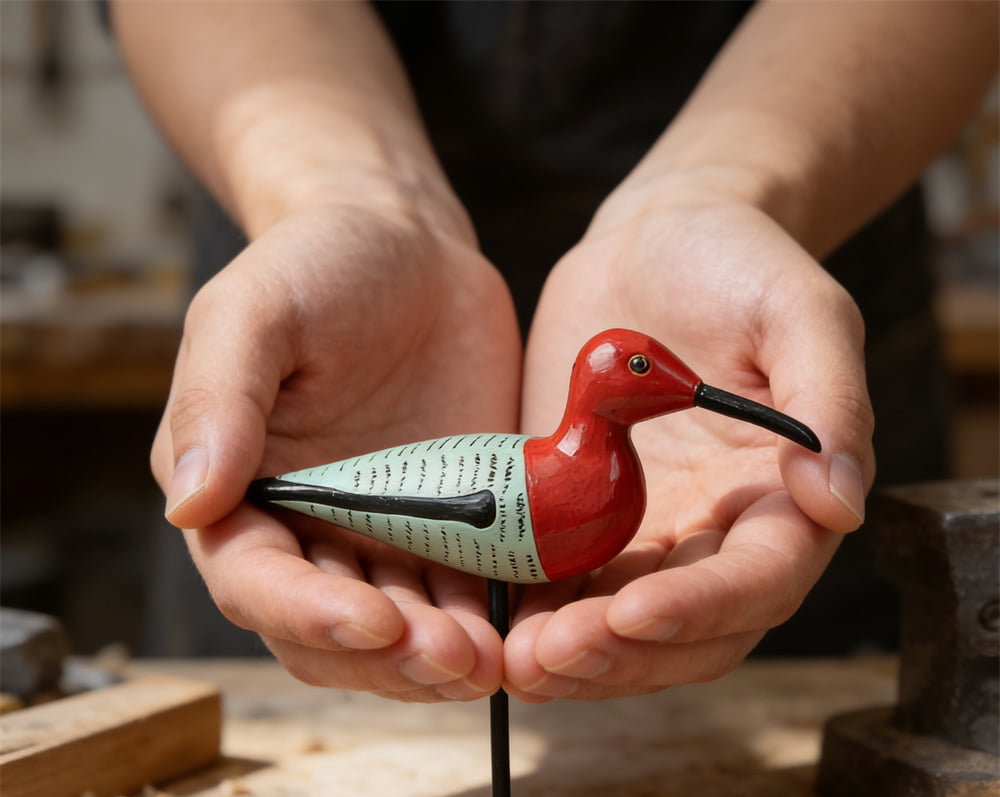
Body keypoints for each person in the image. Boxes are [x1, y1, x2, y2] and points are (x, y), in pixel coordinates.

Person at [111, 0, 997, 703]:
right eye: (652, 375)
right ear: (611, 392)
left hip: (821, 190)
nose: (688, 391)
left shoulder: (606, 479)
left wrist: (719, 192)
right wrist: (350, 196)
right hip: (329, 362)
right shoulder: (576, 489)